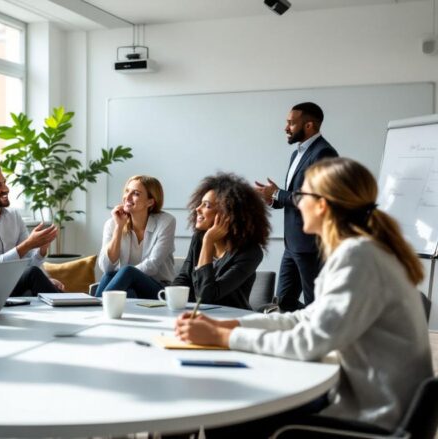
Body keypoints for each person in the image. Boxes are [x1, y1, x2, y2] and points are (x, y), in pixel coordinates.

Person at [176, 157, 433, 437]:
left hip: (372, 418)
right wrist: (232, 326)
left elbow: (309, 343)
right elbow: (305, 318)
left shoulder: (359, 257)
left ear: (321, 205)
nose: (296, 202)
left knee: (230, 412)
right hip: (368, 402)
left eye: (300, 194)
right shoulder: (359, 251)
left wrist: (223, 338)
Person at [255, 102, 338, 311]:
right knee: (284, 301)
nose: (286, 128)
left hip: (310, 245)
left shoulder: (324, 153)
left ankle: (321, 338)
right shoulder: (296, 154)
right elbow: (294, 198)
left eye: (291, 123)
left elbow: (315, 200)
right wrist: (272, 198)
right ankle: (300, 333)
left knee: (315, 303)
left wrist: (276, 193)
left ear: (309, 125)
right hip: (292, 244)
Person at [171, 173, 270, 309]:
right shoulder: (198, 238)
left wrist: (208, 242)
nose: (197, 209)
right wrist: (173, 300)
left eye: (207, 205)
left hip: (230, 320)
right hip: (196, 315)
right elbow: (183, 278)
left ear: (227, 214)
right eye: (200, 203)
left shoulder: (250, 252)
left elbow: (206, 296)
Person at [0, 164, 63, 296]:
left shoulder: (14, 215)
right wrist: (27, 245)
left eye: (4, 183)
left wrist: (41, 251)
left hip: (13, 282)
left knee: (49, 282)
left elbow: (30, 262)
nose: (6, 189)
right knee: (33, 274)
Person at [95, 175, 176, 298]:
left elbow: (152, 266)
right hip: (128, 287)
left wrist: (124, 274)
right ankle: (97, 311)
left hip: (159, 290)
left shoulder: (166, 222)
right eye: (127, 191)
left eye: (136, 194)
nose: (127, 197)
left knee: (127, 271)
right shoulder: (112, 223)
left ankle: (94, 310)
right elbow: (106, 267)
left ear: (150, 201)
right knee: (109, 275)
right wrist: (119, 228)